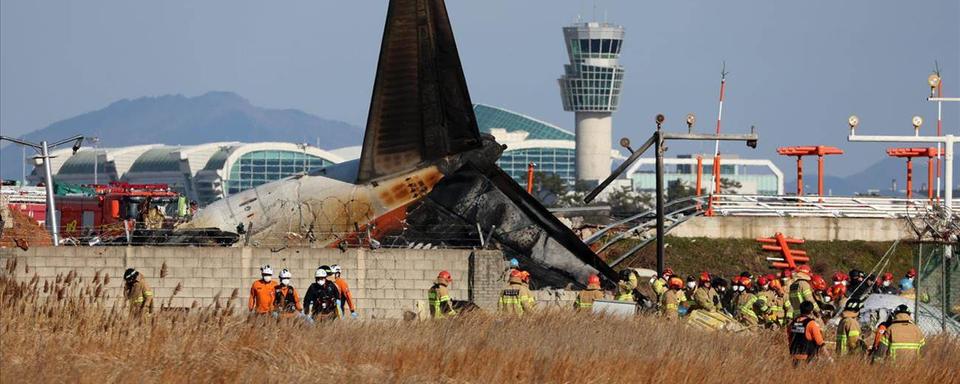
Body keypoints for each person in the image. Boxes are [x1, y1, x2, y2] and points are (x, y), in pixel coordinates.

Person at [788, 301, 826, 365]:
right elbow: (820, 342)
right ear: (811, 311)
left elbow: (790, 338)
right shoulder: (811, 324)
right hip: (807, 358)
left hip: (794, 356)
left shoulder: (793, 323)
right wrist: (829, 358)